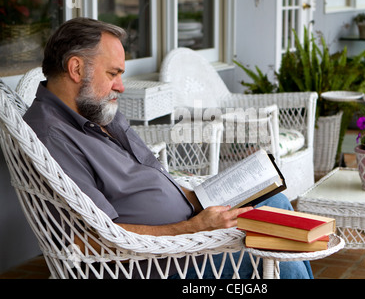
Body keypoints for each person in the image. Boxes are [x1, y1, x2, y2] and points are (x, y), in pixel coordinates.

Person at [24, 17, 313, 279]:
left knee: (276, 206)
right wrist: (193, 228)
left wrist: (203, 199)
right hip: (158, 262)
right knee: (273, 248)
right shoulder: (53, 137)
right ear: (76, 68)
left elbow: (148, 175)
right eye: (113, 73)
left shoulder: (95, 112)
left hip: (186, 231)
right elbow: (88, 239)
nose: (121, 86)